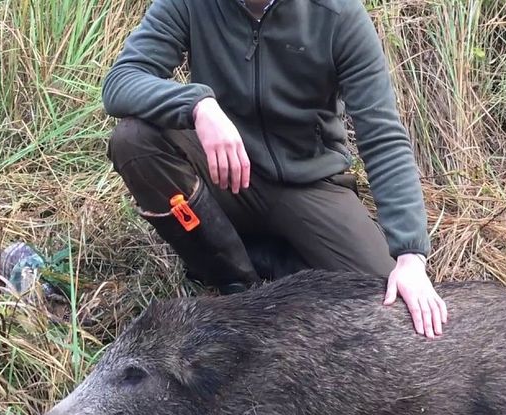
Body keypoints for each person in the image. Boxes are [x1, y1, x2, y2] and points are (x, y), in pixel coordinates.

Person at [102, 0, 448, 338]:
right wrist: (198, 106)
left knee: (383, 303)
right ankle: (233, 280)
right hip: (227, 175)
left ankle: (276, 259)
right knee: (134, 139)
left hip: (311, 184)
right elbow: (121, 81)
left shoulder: (338, 13)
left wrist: (410, 254)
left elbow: (383, 137)